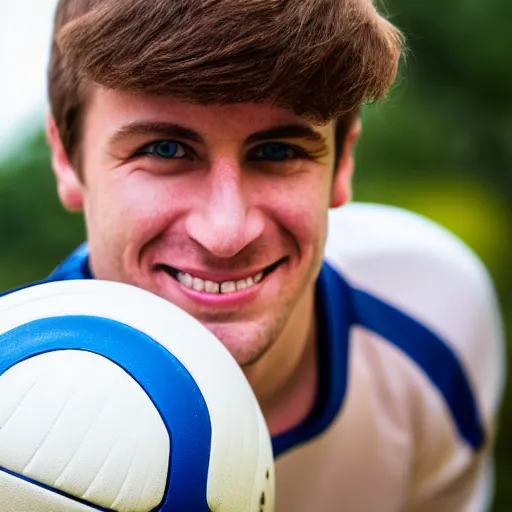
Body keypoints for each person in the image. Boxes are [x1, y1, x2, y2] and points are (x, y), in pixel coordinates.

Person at [2, 0, 505, 509]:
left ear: (344, 159)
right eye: (165, 150)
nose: (226, 233)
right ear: (66, 159)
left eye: (278, 152)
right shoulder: (9, 409)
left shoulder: (436, 317)